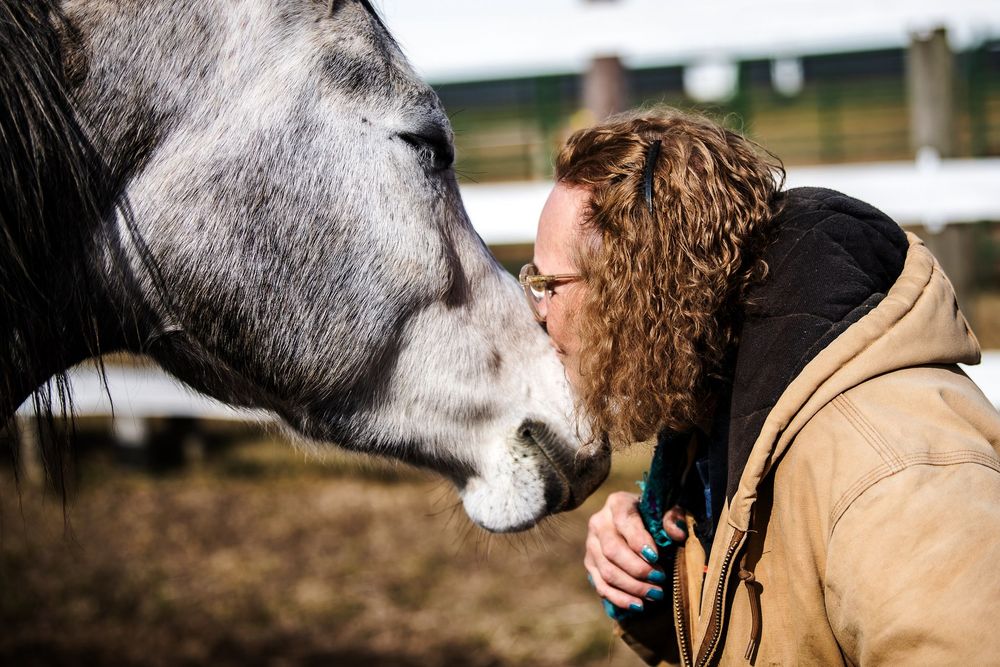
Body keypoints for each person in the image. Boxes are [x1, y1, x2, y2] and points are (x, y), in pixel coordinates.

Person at [520, 107, 1000, 665]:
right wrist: (659, 585)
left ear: (636, 290)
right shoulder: (723, 419)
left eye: (546, 284)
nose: (538, 314)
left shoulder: (897, 477)